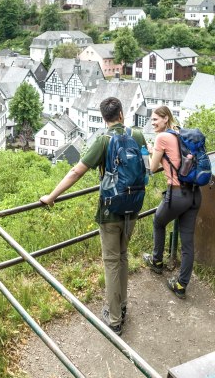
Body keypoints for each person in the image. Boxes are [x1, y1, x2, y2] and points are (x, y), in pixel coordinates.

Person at [39, 97, 146, 336]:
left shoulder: (102, 140)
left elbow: (77, 171)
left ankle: (115, 318)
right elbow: (147, 166)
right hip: (134, 206)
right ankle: (123, 303)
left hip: (110, 210)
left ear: (104, 117)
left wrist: (52, 195)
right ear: (121, 114)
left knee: (111, 261)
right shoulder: (137, 135)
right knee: (123, 255)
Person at [142, 106, 202, 299]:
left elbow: (151, 167)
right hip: (194, 193)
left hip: (176, 194)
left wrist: (152, 151)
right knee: (187, 243)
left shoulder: (161, 138)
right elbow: (174, 159)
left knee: (158, 222)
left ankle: (157, 261)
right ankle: (181, 285)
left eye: (155, 119)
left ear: (166, 118)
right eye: (151, 120)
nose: (153, 123)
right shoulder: (180, 133)